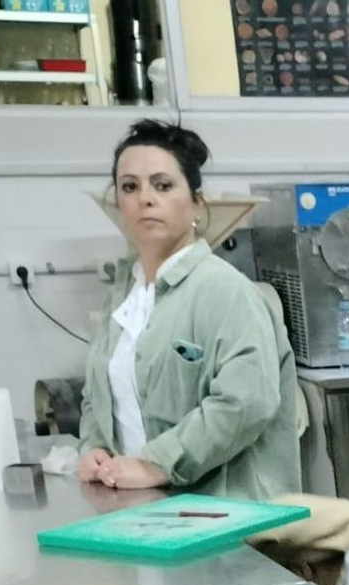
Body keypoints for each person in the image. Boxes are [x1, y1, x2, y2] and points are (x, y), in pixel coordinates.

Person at [77, 120, 301, 500]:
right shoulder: (124, 297)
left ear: (196, 202)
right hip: (150, 510)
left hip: (231, 520)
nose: (145, 198)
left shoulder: (225, 291)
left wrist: (156, 464)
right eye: (129, 187)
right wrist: (94, 450)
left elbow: (245, 403)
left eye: (163, 185)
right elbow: (96, 394)